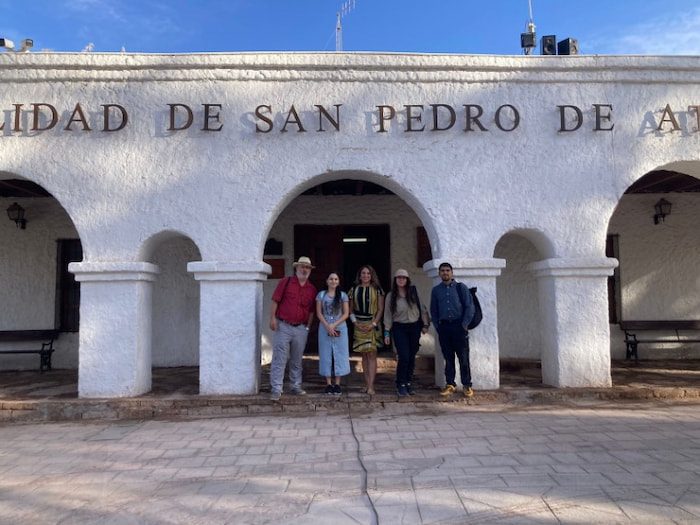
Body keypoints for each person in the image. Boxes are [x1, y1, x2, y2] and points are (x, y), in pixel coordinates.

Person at [269, 256, 317, 401]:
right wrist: (272, 318)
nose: (304, 269)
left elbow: (311, 311)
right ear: (296, 268)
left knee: (296, 360)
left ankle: (295, 385)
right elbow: (275, 300)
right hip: (283, 325)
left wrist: (307, 327)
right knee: (280, 358)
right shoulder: (286, 282)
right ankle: (276, 388)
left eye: (307, 267)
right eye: (302, 266)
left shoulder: (311, 289)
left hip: (301, 328)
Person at [430, 262, 476, 398]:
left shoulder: (460, 288)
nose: (445, 273)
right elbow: (434, 310)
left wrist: (464, 324)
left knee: (463, 358)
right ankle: (450, 384)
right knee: (448, 358)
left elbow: (469, 307)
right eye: (442, 270)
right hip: (444, 328)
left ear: (452, 272)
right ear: (439, 273)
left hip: (459, 326)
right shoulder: (436, 290)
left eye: (447, 270)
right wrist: (438, 327)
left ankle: (467, 385)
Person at [383, 269, 430, 397]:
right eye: (399, 277)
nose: (401, 280)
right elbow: (387, 314)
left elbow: (422, 309)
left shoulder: (414, 293)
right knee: (403, 356)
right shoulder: (391, 296)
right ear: (395, 280)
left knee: (411, 357)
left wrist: (425, 325)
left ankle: (408, 382)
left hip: (414, 327)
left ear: (407, 279)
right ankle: (400, 383)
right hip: (399, 328)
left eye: (403, 277)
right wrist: (386, 332)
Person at [348, 265, 384, 395]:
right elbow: (350, 309)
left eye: (368, 273)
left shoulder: (377, 290)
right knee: (363, 355)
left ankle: (371, 386)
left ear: (371, 275)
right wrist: (355, 322)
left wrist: (373, 323)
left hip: (372, 324)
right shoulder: (353, 289)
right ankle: (366, 383)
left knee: (372, 355)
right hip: (358, 324)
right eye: (363, 273)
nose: (365, 275)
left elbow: (380, 309)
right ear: (359, 275)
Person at [316, 273, 350, 395]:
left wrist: (334, 325)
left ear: (338, 281)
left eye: (336, 279)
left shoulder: (343, 296)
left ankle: (338, 383)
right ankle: (328, 383)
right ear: (327, 281)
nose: (333, 281)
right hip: (324, 328)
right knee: (326, 354)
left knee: (339, 354)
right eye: (331, 279)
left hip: (339, 327)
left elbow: (346, 314)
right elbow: (319, 313)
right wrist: (327, 326)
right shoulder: (321, 295)